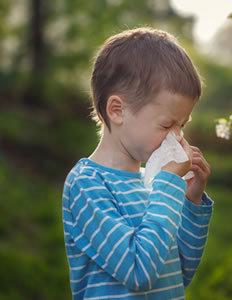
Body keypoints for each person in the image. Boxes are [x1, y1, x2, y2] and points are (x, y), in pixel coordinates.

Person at [62, 27, 213, 299]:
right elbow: (138, 272)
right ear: (117, 110)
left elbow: (178, 272)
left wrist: (192, 202)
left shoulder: (154, 183)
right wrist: (168, 186)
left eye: (182, 124)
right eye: (167, 124)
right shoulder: (86, 185)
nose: (177, 137)